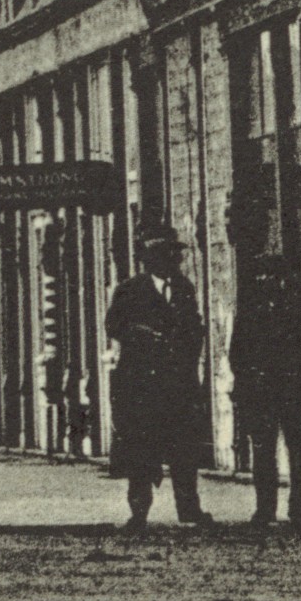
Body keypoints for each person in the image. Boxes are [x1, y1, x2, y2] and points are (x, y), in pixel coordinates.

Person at [105, 226, 217, 530]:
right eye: (164, 256)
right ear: (149, 260)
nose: (173, 262)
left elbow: (195, 329)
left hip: (177, 385)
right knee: (141, 452)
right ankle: (139, 512)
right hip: (142, 385)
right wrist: (144, 338)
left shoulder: (184, 288)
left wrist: (185, 350)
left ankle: (189, 509)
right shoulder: (129, 290)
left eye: (175, 256)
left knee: (184, 452)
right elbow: (114, 327)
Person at [230, 252, 301, 532]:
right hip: (261, 396)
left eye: (273, 275)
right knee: (263, 454)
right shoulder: (249, 313)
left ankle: (298, 512)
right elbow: (237, 354)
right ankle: (264, 509)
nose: (267, 280)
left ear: (282, 279)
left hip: (293, 394)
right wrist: (249, 380)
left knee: (298, 454)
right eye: (262, 275)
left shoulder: (299, 310)